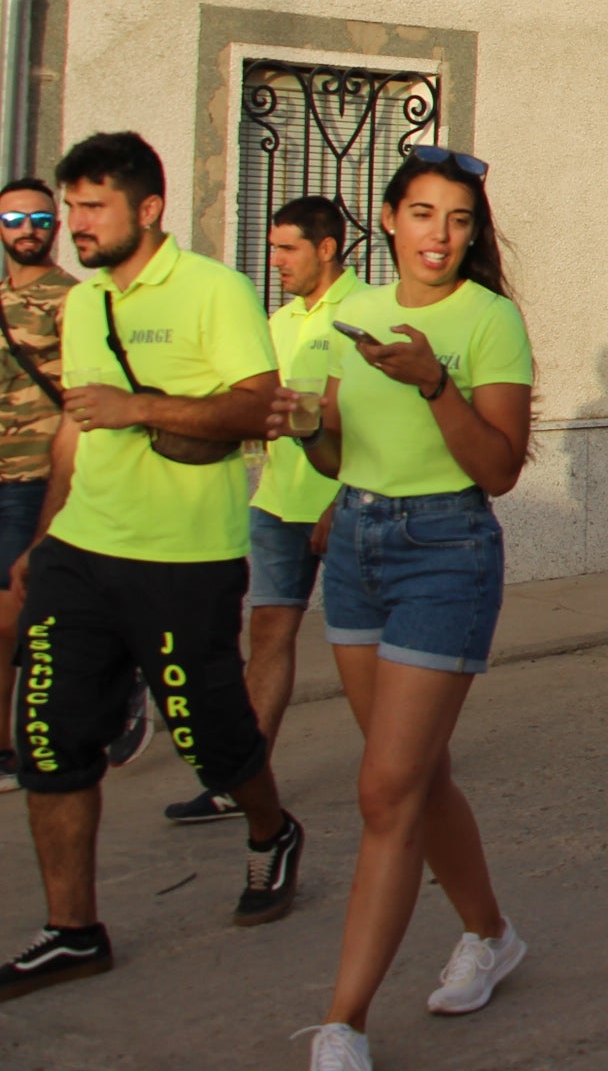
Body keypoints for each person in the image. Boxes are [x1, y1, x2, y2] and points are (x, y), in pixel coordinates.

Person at [4, 134, 299, 1005]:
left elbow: (259, 405)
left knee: (209, 735)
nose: (74, 224)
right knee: (49, 740)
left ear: (149, 209)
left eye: (92, 207)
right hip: (79, 553)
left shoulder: (216, 289)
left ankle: (271, 828)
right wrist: (40, 540)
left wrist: (141, 405)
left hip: (184, 557)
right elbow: (72, 429)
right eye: (70, 207)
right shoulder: (83, 305)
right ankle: (73, 930)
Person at [282, 147, 531, 1069]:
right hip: (355, 546)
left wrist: (435, 382)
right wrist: (306, 427)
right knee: (417, 780)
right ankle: (492, 933)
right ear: (388, 220)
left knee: (384, 790)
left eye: (460, 220)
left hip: (445, 553)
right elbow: (333, 455)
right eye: (424, 214)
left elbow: (499, 470)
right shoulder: (351, 314)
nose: (442, 235)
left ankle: (343, 1023)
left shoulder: (490, 321)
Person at [165, 197, 360, 826]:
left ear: (326, 249)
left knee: (373, 646)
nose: (274, 260)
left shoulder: (365, 314)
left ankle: (409, 761)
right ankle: (240, 779)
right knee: (268, 636)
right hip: (276, 504)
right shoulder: (275, 321)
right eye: (273, 248)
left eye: (286, 249)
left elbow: (370, 422)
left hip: (348, 502)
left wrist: (342, 497)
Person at [0, 177, 77, 792]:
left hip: (35, 478)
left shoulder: (71, 300)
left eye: (40, 220)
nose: (27, 230)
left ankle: (16, 745)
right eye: (14, 220)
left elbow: (81, 401)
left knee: (12, 616)